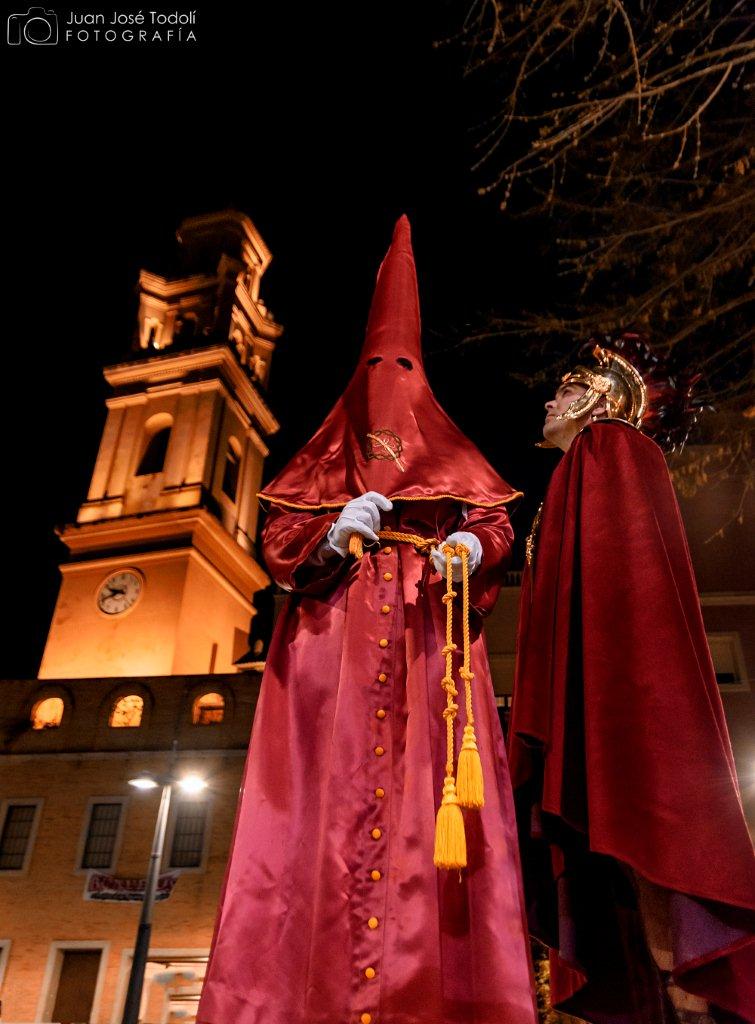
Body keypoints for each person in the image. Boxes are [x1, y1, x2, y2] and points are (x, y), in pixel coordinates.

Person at [197, 216, 538, 1024]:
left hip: (429, 647)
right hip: (329, 655)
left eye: (403, 368)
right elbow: (280, 544)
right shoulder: (318, 463)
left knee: (430, 816)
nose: (389, 383)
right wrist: (331, 536)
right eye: (377, 366)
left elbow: (495, 524)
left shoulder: (453, 462)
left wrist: (464, 542)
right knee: (318, 808)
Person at [509, 333, 755, 1024]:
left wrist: (596, 703)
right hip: (603, 697)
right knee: (621, 869)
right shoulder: (583, 466)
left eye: (566, 384)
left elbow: (624, 593)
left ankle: (688, 999)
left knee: (646, 853)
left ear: (600, 395)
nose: (552, 399)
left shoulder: (609, 450)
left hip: (623, 703)